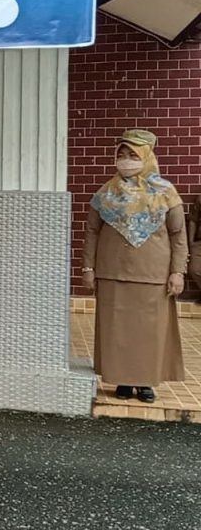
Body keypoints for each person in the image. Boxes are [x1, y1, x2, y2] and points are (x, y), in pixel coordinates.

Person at [82, 130, 186, 404]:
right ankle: (123, 381)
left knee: (150, 332)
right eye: (121, 155)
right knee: (118, 330)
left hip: (153, 274)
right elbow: (92, 231)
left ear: (147, 157)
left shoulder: (165, 192)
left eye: (133, 155)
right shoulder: (105, 193)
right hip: (112, 272)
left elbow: (178, 235)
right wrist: (88, 268)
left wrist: (178, 271)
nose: (125, 160)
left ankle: (146, 382)